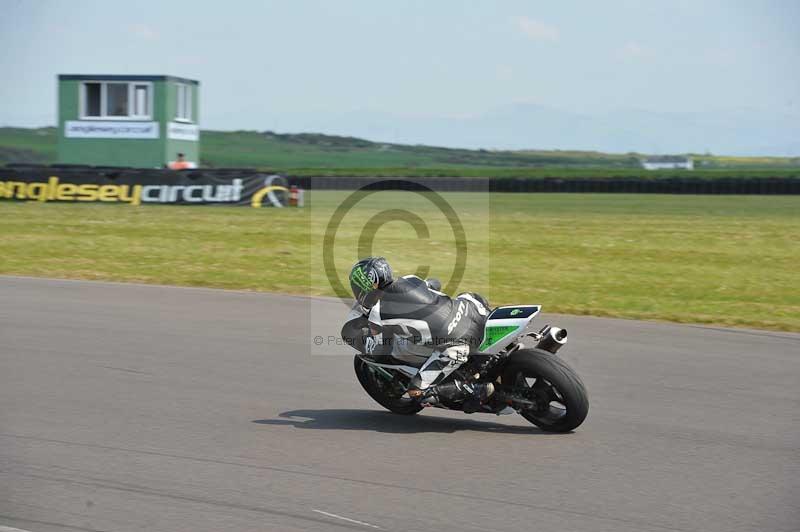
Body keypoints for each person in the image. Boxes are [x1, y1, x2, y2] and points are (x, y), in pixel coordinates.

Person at [341, 257, 494, 407]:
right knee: (468, 295)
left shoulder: (377, 313)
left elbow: (381, 349)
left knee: (416, 391)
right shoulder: (410, 279)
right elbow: (435, 283)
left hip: (457, 346)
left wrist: (368, 342)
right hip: (472, 310)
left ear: (365, 287)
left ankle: (476, 390)